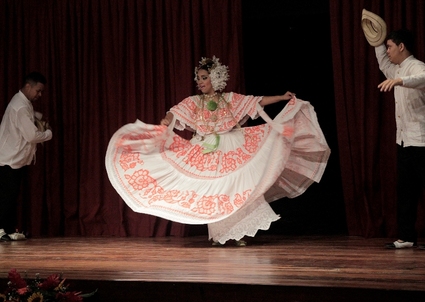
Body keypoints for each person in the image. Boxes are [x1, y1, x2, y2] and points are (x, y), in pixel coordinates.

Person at [105, 56, 330, 246]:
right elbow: (176, 111)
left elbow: (256, 102)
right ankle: (220, 234)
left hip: (230, 145)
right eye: (199, 79)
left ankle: (238, 231)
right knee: (214, 190)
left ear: (215, 78)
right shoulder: (194, 102)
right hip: (204, 148)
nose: (200, 82)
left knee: (235, 186)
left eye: (204, 78)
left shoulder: (230, 99)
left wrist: (281, 98)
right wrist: (168, 119)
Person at [371, 29, 425, 250]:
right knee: (405, 191)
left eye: (389, 47)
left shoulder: (416, 66)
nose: (387, 51)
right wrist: (377, 40)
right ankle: (406, 236)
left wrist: (399, 80)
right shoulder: (394, 68)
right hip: (405, 141)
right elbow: (382, 62)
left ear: (401, 46)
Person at [0, 71, 52, 241]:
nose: (40, 94)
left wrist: (37, 116)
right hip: (10, 159)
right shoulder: (21, 106)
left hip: (13, 159)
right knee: (8, 197)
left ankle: (7, 230)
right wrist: (49, 133)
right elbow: (32, 136)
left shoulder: (23, 102)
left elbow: (26, 116)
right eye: (38, 90)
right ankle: (2, 230)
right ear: (28, 86)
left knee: (11, 196)